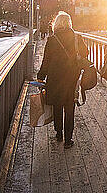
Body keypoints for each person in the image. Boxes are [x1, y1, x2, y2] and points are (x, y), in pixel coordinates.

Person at [37, 11, 88, 148]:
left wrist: (41, 77)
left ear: (57, 24)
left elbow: (46, 61)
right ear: (69, 23)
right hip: (72, 78)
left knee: (57, 106)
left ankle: (59, 133)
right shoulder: (77, 38)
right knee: (69, 108)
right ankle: (68, 140)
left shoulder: (52, 40)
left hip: (55, 79)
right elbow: (85, 54)